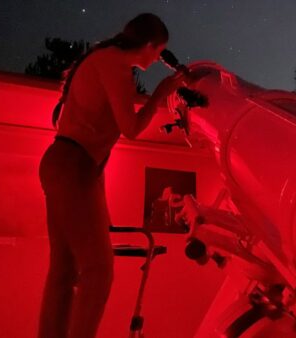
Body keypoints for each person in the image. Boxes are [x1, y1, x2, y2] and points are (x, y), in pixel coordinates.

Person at [38, 13, 185, 338]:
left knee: (63, 271)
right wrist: (160, 94)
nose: (158, 58)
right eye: (159, 51)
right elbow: (130, 129)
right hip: (74, 167)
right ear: (149, 45)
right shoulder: (116, 66)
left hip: (61, 163)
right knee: (99, 270)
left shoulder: (101, 58)